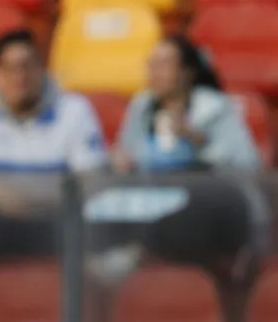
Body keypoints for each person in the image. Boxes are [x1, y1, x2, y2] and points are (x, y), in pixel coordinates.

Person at [0, 27, 108, 322]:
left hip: (56, 222)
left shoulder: (75, 111)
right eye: (10, 69)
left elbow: (92, 182)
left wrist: (34, 198)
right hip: (2, 219)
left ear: (42, 69)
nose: (20, 77)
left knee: (99, 232)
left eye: (28, 66)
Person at [105, 34, 267, 282]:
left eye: (164, 64)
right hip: (151, 201)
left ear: (187, 72)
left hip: (210, 210)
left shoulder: (216, 108)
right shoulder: (141, 107)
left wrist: (198, 142)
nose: (154, 72)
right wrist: (120, 161)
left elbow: (247, 163)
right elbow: (127, 153)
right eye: (151, 64)